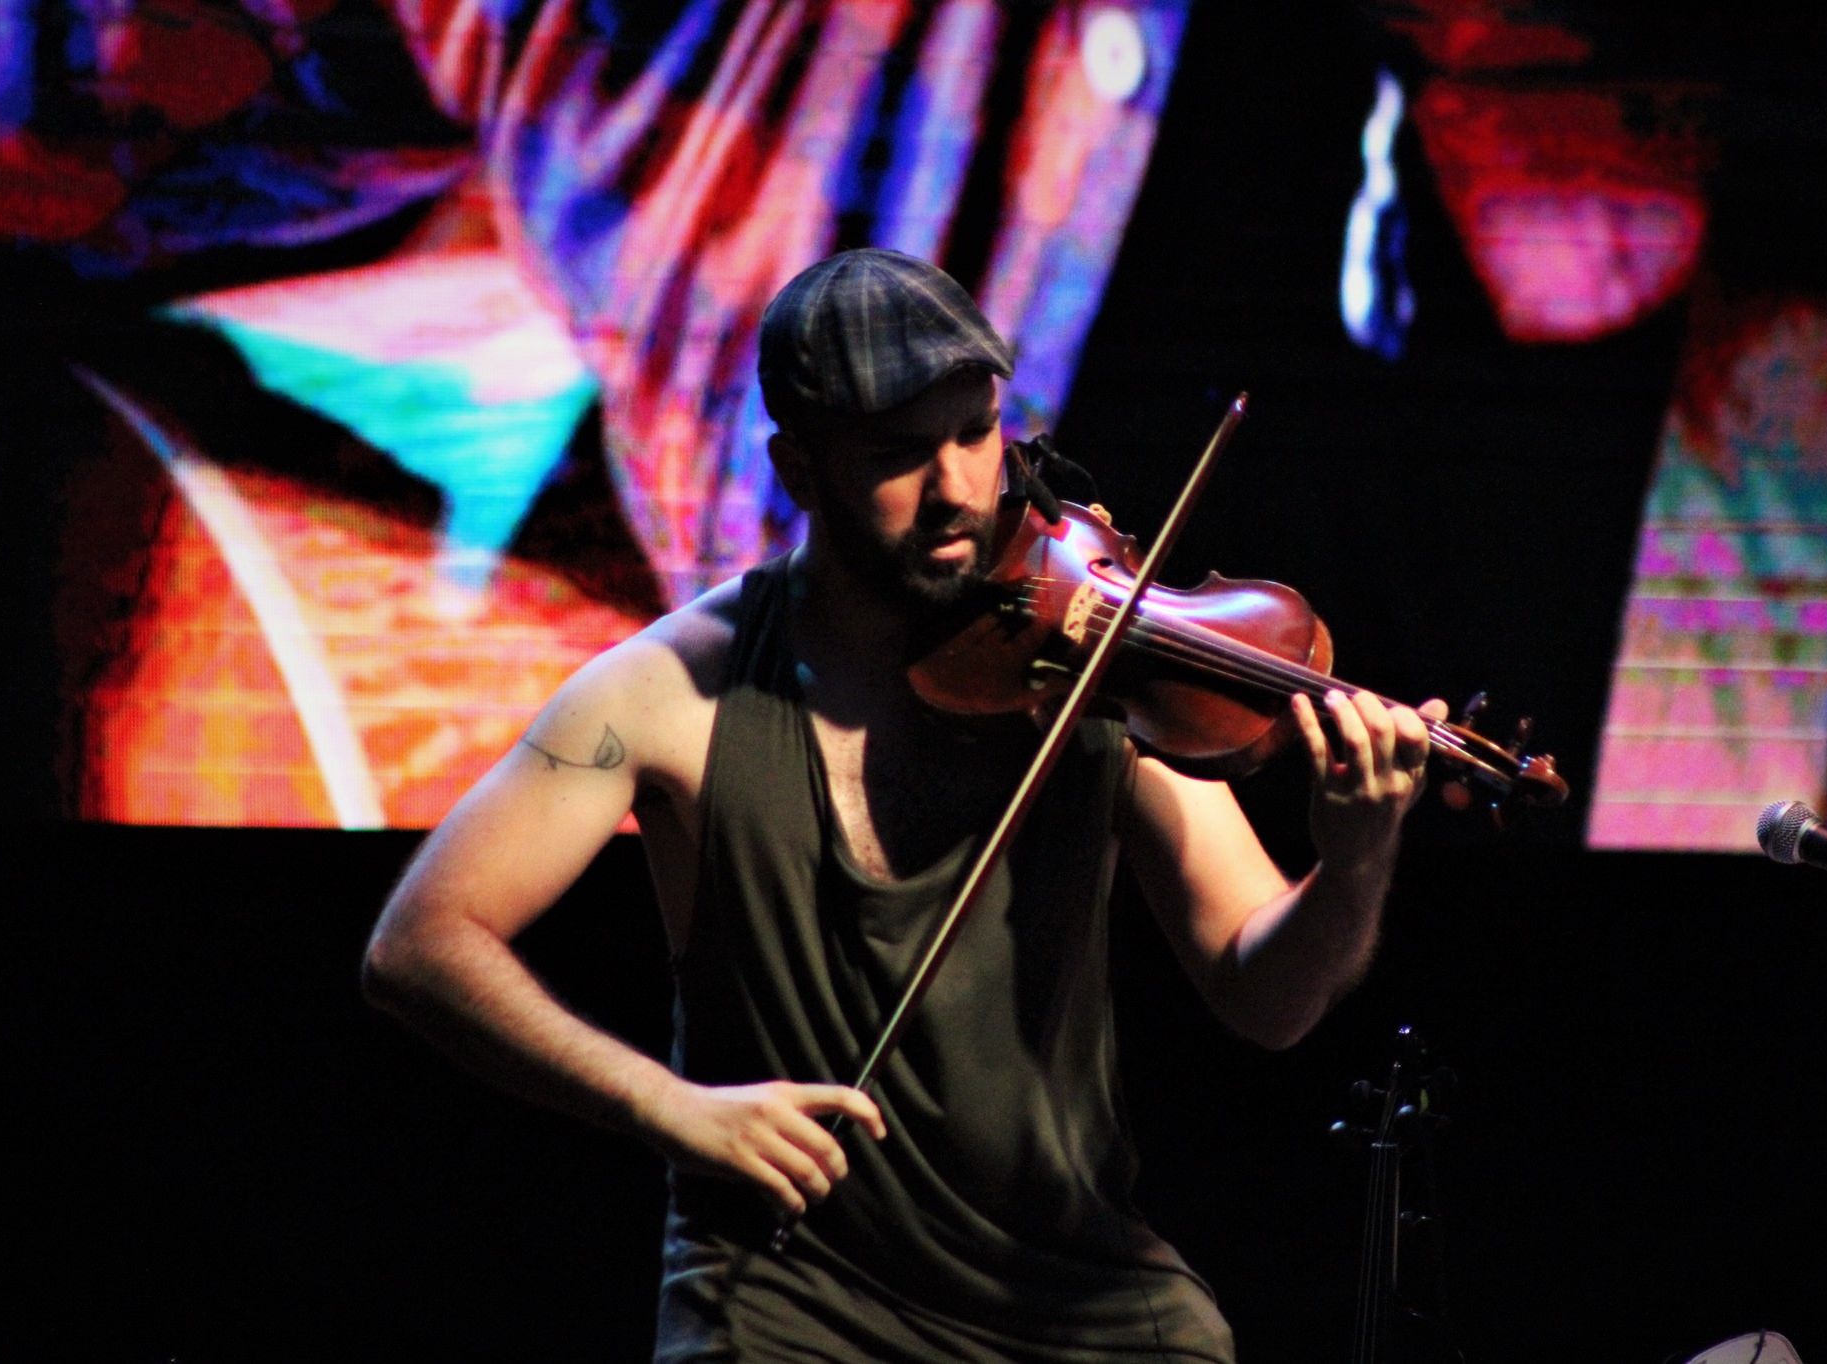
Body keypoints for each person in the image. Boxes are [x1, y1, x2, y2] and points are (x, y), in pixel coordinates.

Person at [362, 247, 1446, 1362]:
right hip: (789, 1306)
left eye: (975, 432)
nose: (959, 491)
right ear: (797, 467)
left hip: (1078, 1299)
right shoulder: (669, 691)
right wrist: (665, 1105)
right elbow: (419, 943)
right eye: (896, 455)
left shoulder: (1086, 657)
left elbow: (1263, 993)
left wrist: (1353, 858)